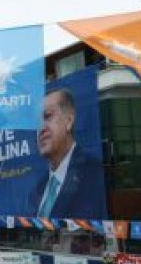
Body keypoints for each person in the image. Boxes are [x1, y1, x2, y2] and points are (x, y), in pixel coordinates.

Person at [26, 87, 105, 219]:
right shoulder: (37, 190)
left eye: (48, 116)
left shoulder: (95, 174)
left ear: (69, 121)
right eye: (36, 123)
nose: (41, 128)